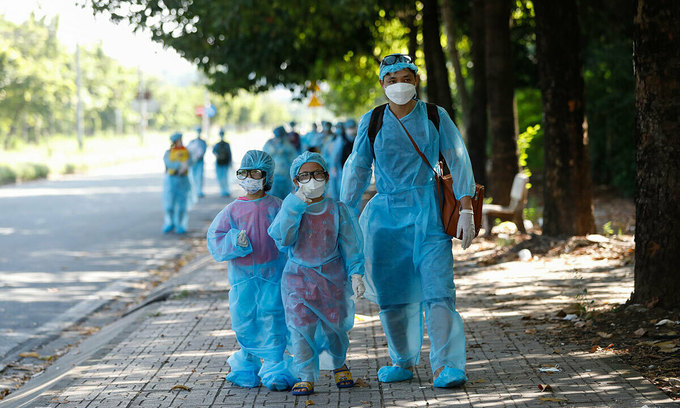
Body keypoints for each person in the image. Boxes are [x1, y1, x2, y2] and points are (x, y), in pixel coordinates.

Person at [340, 53, 477, 388]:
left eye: (405, 78)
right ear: (382, 84)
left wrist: (467, 207)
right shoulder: (373, 120)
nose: (399, 85)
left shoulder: (434, 115)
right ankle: (401, 360)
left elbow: (458, 159)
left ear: (416, 80)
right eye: (392, 80)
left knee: (438, 290)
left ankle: (447, 365)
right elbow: (357, 168)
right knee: (393, 294)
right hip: (385, 220)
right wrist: (343, 216)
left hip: (429, 215)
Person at [268, 151, 365, 396]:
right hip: (297, 281)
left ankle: (339, 364)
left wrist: (356, 273)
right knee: (300, 328)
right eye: (305, 176)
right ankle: (306, 376)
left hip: (332, 280)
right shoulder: (292, 208)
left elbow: (351, 244)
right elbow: (283, 239)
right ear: (295, 181)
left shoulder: (337, 210)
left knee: (336, 328)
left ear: (326, 176)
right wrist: (294, 207)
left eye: (317, 174)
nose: (312, 180)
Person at [206, 150, 296, 391]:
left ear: (267, 176)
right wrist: (234, 240)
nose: (249, 178)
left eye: (255, 173)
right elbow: (215, 239)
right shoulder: (232, 210)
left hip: (273, 276)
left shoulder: (277, 206)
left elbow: (290, 236)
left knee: (274, 319)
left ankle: (276, 368)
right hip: (243, 279)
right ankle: (246, 366)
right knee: (245, 321)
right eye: (244, 173)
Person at [162, 132, 192, 234]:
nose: (180, 142)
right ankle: (169, 223)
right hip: (171, 180)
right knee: (169, 205)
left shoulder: (186, 151)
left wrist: (185, 164)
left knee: (182, 205)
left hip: (183, 180)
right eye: (178, 140)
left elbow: (190, 161)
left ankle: (181, 225)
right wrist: (180, 164)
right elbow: (169, 163)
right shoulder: (168, 152)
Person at [263, 126, 298, 200]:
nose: (279, 138)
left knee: (286, 197)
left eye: (281, 136)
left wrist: (284, 151)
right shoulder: (269, 144)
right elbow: (264, 158)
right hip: (273, 175)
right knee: (274, 198)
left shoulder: (287, 144)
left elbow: (294, 159)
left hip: (286, 175)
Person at [187, 126, 208, 201]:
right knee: (193, 176)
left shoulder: (203, 142)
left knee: (200, 176)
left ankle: (199, 191)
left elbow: (204, 150)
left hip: (200, 161)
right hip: (193, 162)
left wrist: (199, 156)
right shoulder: (192, 141)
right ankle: (195, 191)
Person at [213, 129, 233, 197]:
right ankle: (223, 191)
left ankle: (225, 190)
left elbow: (229, 154)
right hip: (221, 163)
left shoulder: (222, 144)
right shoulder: (220, 144)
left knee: (224, 177)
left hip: (224, 163)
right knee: (222, 177)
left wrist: (230, 162)